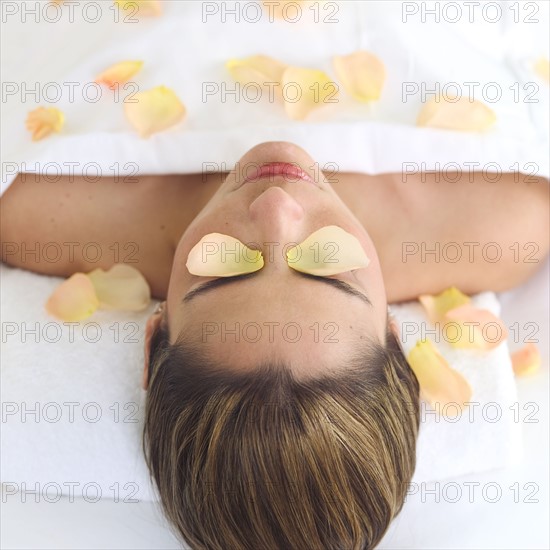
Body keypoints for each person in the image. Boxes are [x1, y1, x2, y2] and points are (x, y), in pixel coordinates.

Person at [1, 141, 548, 549]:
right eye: (328, 266)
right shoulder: (505, 219)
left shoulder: (32, 207)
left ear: (155, 337)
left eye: (220, 272)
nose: (278, 208)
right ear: (394, 334)